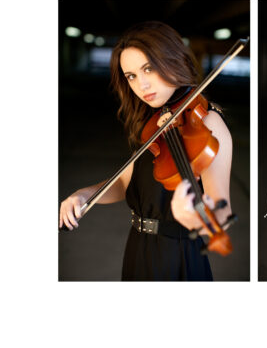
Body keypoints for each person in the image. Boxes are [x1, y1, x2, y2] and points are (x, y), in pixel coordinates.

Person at [58, 21, 235, 281]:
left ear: (174, 60)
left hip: (179, 256)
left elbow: (222, 213)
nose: (142, 85)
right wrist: (83, 195)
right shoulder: (154, 121)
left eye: (148, 69)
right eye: (131, 76)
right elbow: (124, 182)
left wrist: (194, 218)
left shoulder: (208, 124)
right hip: (139, 249)